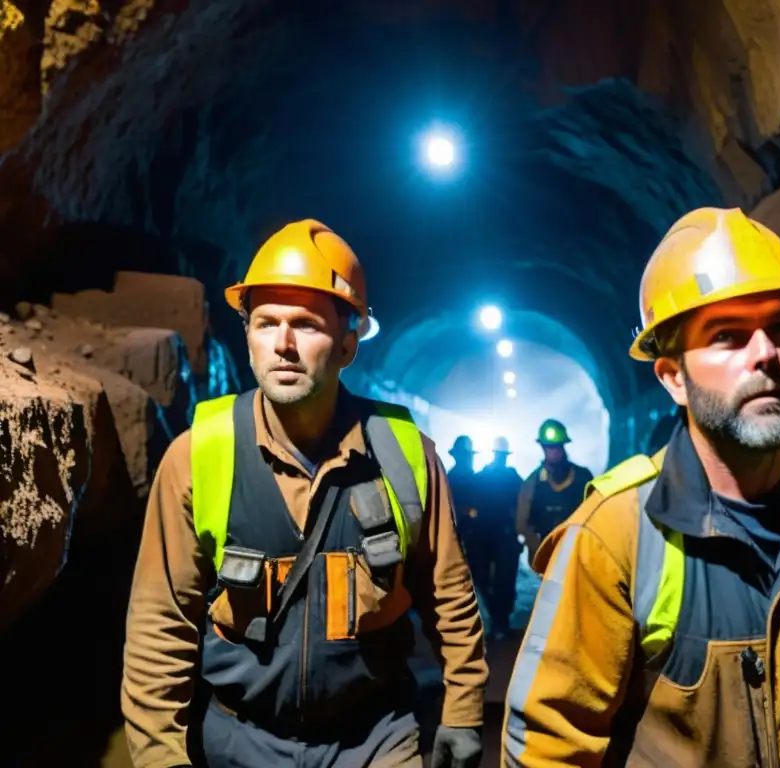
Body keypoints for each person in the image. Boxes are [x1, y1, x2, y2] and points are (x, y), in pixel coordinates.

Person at [503, 207, 780, 766]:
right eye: (727, 335)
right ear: (673, 379)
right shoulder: (619, 535)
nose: (765, 353)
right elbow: (551, 744)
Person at [122, 219, 487, 768]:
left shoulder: (405, 456)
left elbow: (448, 595)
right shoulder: (199, 457)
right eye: (266, 323)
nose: (283, 345)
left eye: (306, 325)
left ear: (347, 343)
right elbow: (160, 623)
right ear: (246, 336)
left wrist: (462, 710)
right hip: (237, 739)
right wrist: (161, 757)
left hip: (375, 740)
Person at [514, 419, 593, 562]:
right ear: (543, 448)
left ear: (564, 446)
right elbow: (522, 524)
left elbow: (596, 515)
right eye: (550, 447)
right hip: (547, 558)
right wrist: (541, 551)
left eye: (558, 447)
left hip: (579, 554)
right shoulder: (533, 483)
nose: (555, 452)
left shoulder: (583, 478)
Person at [473, 437, 524, 638]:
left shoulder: (508, 477)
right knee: (487, 578)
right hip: (488, 535)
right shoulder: (488, 476)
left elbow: (523, 505)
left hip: (503, 535)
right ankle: (498, 618)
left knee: (505, 580)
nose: (501, 459)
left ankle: (500, 620)